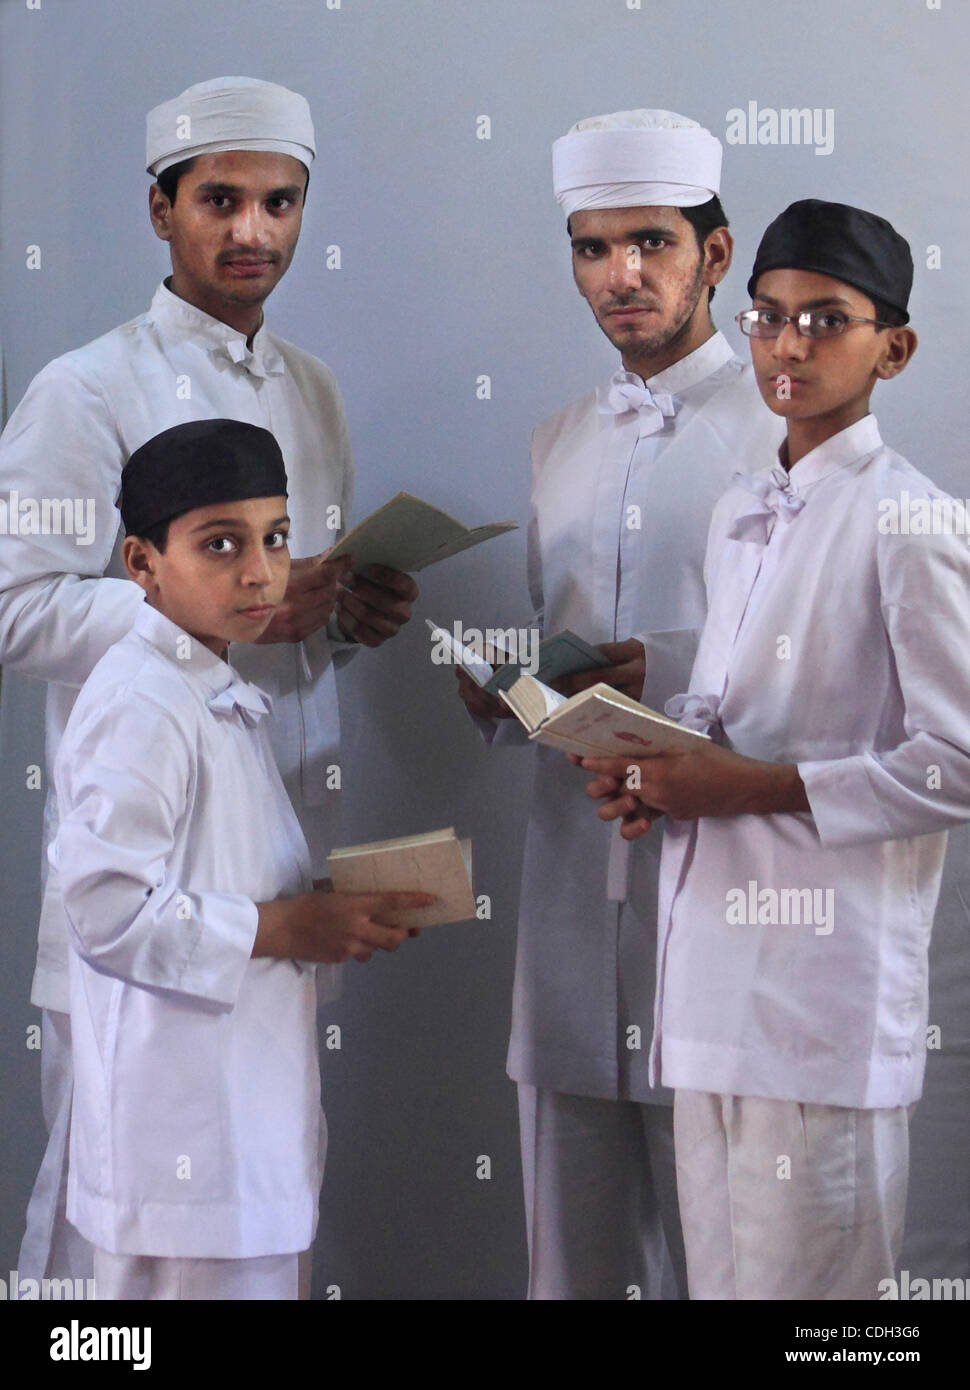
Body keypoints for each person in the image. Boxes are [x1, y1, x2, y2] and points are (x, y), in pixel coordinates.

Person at [0, 76, 417, 1287]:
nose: (252, 231)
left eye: (279, 202)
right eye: (220, 199)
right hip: (140, 884)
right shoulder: (84, 389)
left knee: (251, 1215)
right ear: (159, 210)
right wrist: (195, 609)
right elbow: (18, 604)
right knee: (107, 1220)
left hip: (280, 867)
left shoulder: (314, 389)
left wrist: (342, 615)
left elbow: (283, 603)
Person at [577, 199, 970, 1299]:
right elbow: (728, 705)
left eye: (825, 321)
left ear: (892, 348)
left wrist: (755, 787)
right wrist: (654, 768)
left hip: (818, 1003)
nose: (788, 345)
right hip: (707, 991)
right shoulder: (742, 510)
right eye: (767, 317)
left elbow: (961, 757)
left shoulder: (911, 521)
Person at [456, 109, 782, 1299]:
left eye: (649, 241)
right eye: (591, 248)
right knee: (570, 1264)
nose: (619, 274)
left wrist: (658, 660)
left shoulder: (788, 430)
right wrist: (504, 685)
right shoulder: (558, 439)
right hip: (567, 887)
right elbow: (563, 649)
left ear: (716, 251)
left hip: (722, 881)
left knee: (731, 1260)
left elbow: (819, 656)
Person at [50, 418, 431, 1300]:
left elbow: (213, 875)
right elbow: (106, 911)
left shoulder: (207, 681)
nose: (261, 571)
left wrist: (320, 906)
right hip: (187, 1147)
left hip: (236, 1137)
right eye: (220, 544)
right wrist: (287, 924)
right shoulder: (144, 700)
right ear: (141, 563)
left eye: (277, 538)